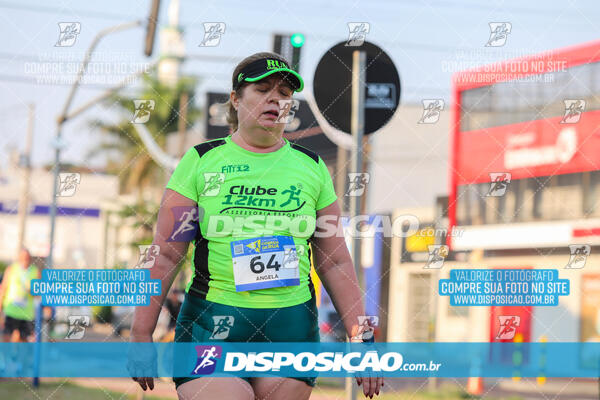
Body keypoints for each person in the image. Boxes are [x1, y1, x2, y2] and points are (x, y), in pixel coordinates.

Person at [130, 52, 383, 399]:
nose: (275, 99)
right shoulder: (201, 161)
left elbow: (335, 261)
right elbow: (166, 255)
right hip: (214, 322)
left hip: (290, 328)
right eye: (262, 89)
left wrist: (360, 338)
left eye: (283, 94)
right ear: (235, 99)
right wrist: (141, 334)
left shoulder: (311, 166)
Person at [0, 248, 40, 342]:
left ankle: (19, 356)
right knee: (7, 337)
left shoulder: (35, 272)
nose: (24, 260)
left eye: (26, 258)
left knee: (23, 340)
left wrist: (32, 290)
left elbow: (38, 293)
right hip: (11, 311)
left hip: (26, 314)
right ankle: (7, 356)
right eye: (22, 257)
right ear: (19, 258)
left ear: (29, 258)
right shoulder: (11, 269)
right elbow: (4, 289)